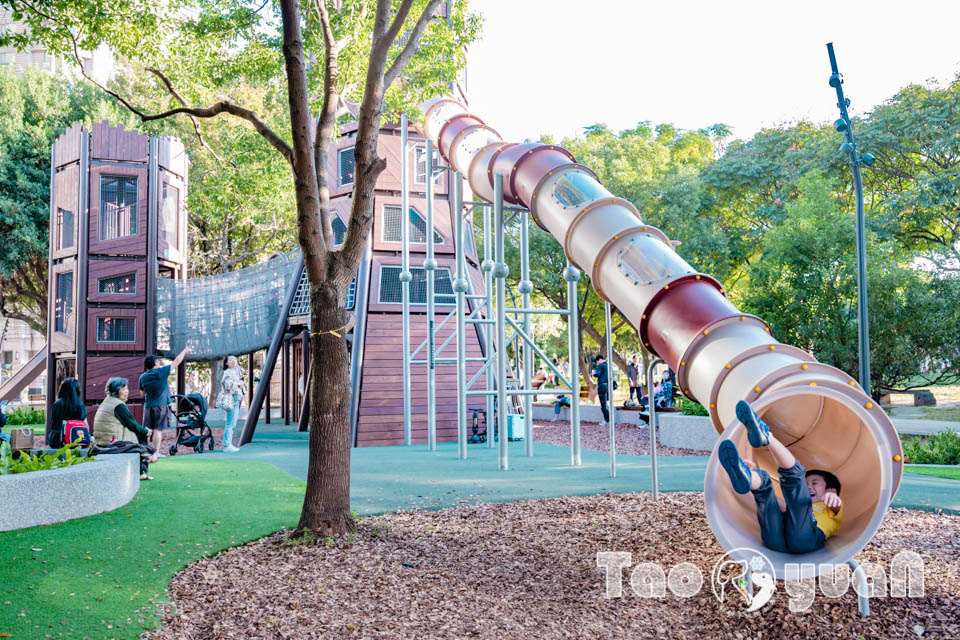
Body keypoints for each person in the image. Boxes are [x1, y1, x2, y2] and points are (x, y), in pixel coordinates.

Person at [718, 400, 843, 554]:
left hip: (807, 539)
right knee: (764, 491)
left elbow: (836, 505)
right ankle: (750, 478)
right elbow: (775, 503)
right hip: (776, 540)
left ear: (830, 489)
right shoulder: (797, 506)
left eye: (815, 483)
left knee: (795, 480)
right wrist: (753, 478)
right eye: (807, 484)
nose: (809, 486)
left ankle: (767, 436)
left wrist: (832, 496)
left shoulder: (830, 509)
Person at [93, 377, 155, 480]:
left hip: (103, 439)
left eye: (126, 389)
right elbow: (132, 424)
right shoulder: (118, 405)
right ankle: (140, 472)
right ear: (115, 390)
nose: (126, 392)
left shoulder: (109, 400)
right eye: (123, 389)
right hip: (111, 441)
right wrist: (146, 431)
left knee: (139, 434)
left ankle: (141, 469)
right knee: (141, 436)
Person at [138, 346, 190, 460]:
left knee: (147, 430)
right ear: (156, 363)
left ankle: (146, 453)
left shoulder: (142, 377)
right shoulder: (160, 372)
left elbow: (142, 394)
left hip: (148, 407)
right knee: (158, 430)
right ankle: (155, 453)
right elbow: (176, 361)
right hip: (161, 406)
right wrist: (185, 350)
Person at [48, 377, 87, 448]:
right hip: (75, 440)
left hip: (56, 441)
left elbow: (53, 424)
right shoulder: (80, 405)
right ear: (77, 390)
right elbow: (85, 425)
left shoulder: (57, 404)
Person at [216, 355, 245, 452]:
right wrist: (238, 384)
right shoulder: (228, 372)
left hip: (236, 399)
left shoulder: (236, 372)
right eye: (231, 360)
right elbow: (228, 385)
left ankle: (228, 444)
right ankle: (227, 444)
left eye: (234, 359)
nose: (233, 361)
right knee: (231, 423)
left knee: (233, 423)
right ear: (226, 363)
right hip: (232, 399)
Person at [592, 354, 610, 426]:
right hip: (608, 386)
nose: (597, 364)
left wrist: (594, 374)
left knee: (603, 405)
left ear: (599, 360)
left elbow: (598, 374)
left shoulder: (601, 365)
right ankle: (608, 420)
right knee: (606, 403)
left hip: (602, 386)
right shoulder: (608, 365)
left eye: (597, 362)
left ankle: (607, 420)